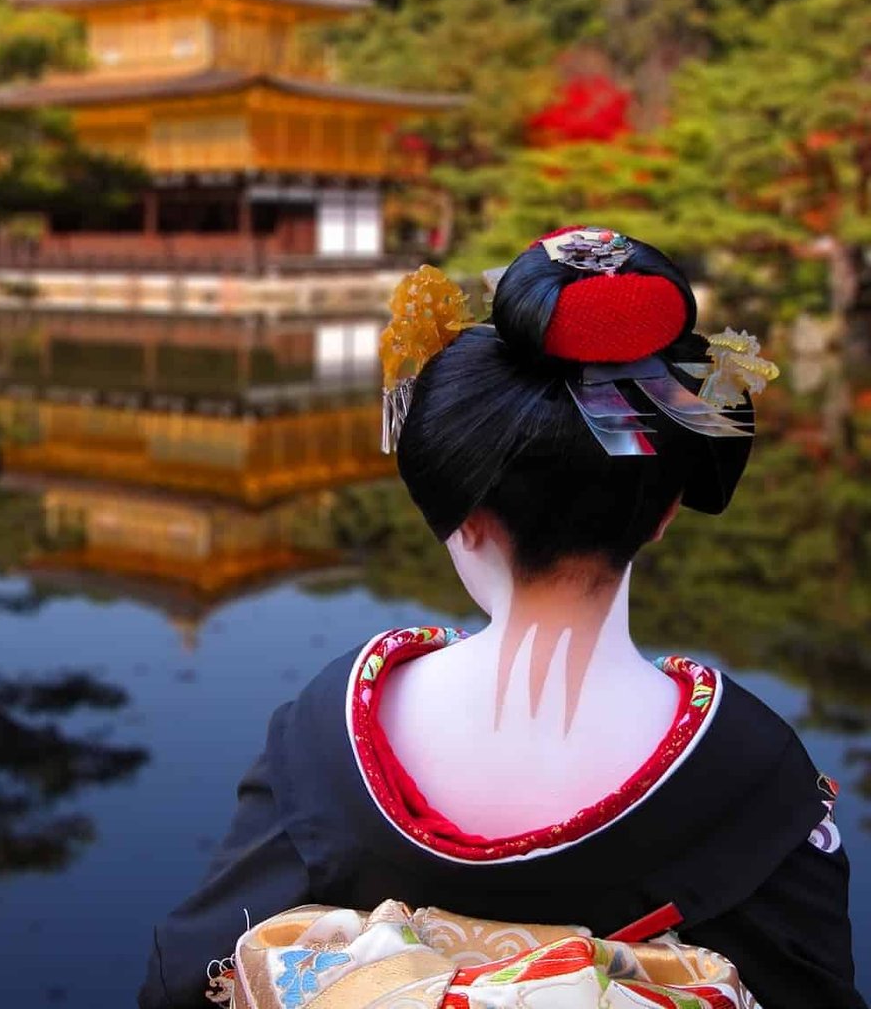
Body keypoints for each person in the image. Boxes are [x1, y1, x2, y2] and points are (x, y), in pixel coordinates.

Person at [138, 228, 864, 1009]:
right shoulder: (754, 777)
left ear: (465, 518)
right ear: (666, 511)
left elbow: (187, 976)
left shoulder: (327, 732)